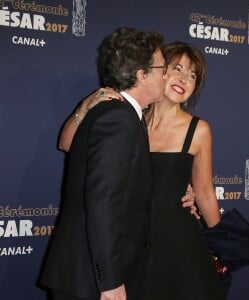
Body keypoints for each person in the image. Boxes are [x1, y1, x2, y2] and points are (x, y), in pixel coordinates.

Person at [58, 41, 226, 299]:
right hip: (128, 240)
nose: (184, 78)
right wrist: (85, 107)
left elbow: (204, 192)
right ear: (156, 72)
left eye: (192, 75)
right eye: (177, 68)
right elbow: (68, 144)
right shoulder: (126, 118)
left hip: (176, 241)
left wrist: (223, 245)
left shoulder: (199, 130)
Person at [39, 27, 168, 300]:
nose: (166, 75)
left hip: (89, 274)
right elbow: (103, 201)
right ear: (141, 75)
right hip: (88, 280)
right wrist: (108, 281)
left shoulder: (120, 114)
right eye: (162, 68)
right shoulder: (119, 119)